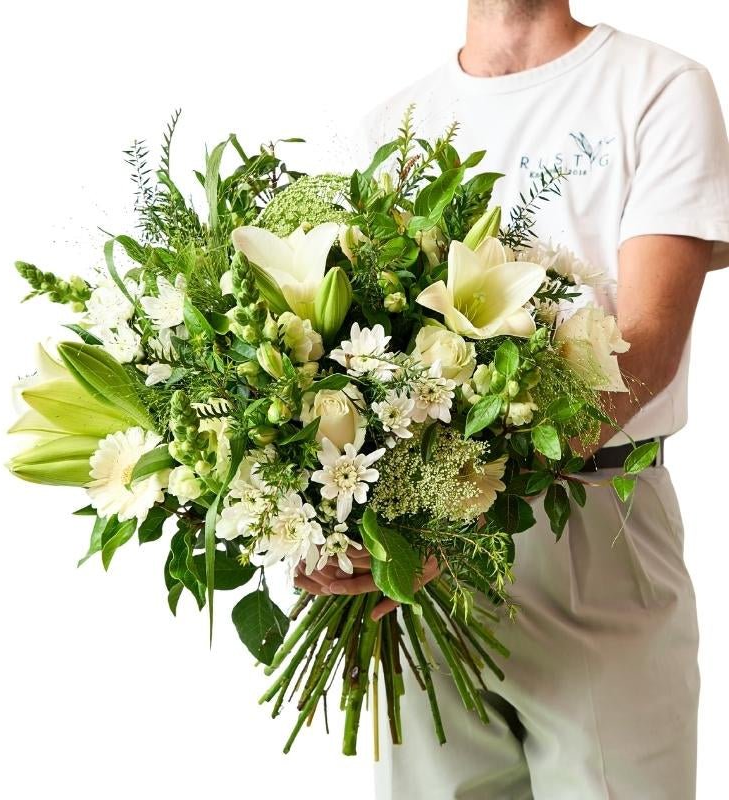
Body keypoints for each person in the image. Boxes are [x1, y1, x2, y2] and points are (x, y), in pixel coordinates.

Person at [294, 2, 729, 798]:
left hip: (594, 527)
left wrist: (461, 523)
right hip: (427, 564)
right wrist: (321, 514)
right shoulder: (391, 126)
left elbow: (648, 347)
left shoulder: (660, 88)